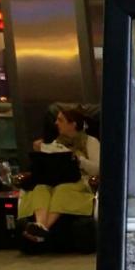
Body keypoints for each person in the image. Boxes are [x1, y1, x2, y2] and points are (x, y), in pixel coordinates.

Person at [18, 107, 99, 253]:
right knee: (40, 188)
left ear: (73, 124)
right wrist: (40, 153)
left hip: (80, 183)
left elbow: (97, 169)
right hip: (54, 182)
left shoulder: (90, 142)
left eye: (60, 120)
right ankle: (40, 226)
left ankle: (42, 229)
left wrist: (78, 160)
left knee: (63, 189)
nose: (56, 123)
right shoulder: (55, 144)